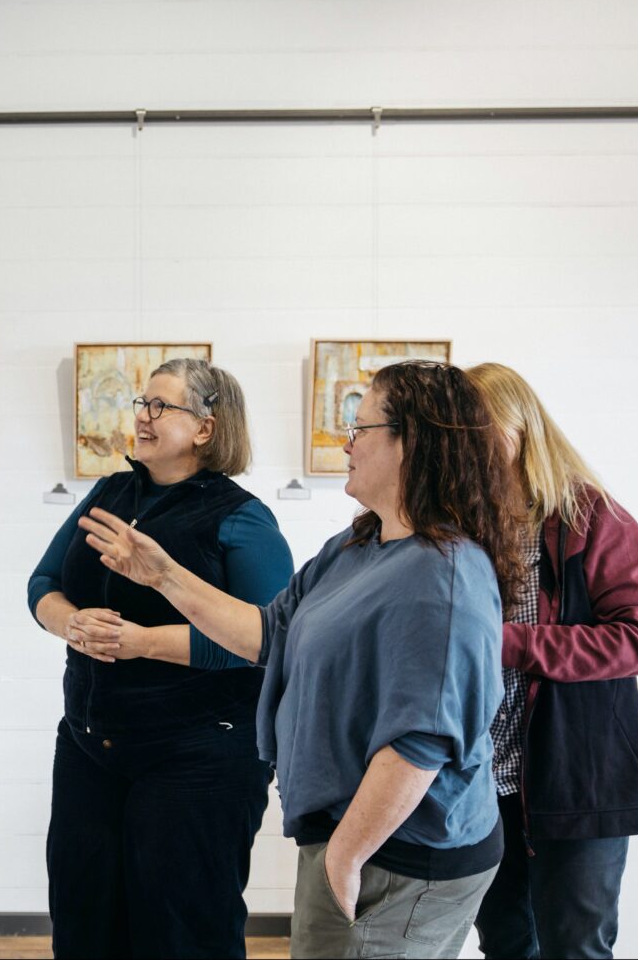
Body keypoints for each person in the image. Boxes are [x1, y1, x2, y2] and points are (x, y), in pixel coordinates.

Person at [80, 361, 525, 959]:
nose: (346, 441)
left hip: (400, 851)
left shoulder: (443, 575)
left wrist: (345, 856)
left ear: (410, 443)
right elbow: (268, 631)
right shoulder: (358, 544)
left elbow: (421, 742)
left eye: (360, 427)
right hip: (349, 835)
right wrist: (162, 575)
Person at [28, 359, 293, 958]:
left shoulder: (242, 517)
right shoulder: (111, 492)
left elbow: (266, 642)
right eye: (141, 403)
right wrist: (69, 622)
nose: (143, 417)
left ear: (205, 427)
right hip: (91, 744)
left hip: (200, 754)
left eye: (160, 406)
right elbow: (41, 583)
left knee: (182, 931)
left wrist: (142, 642)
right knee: (84, 920)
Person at [466, 363, 638, 960]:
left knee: (576, 949)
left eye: (483, 428)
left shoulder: (592, 516)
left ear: (523, 426)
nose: (471, 445)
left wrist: (512, 642)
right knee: (505, 944)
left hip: (578, 779)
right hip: (485, 781)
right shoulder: (460, 527)